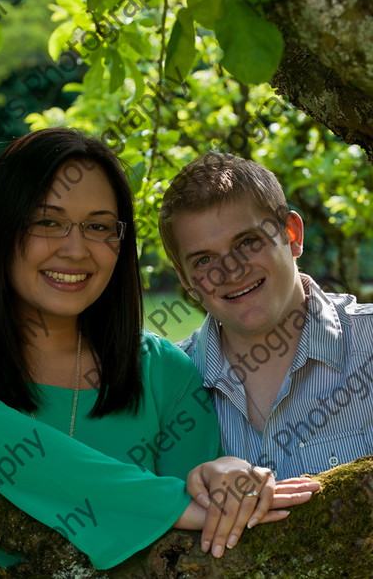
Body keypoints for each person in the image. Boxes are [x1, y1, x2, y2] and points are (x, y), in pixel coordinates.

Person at [0, 130, 318, 577]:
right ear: (0, 227)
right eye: (47, 221)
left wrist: (224, 476)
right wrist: (167, 504)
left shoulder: (165, 374)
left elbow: (194, 556)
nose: (76, 249)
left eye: (99, 227)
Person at [159, 150, 373, 481]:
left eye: (247, 242)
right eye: (204, 260)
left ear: (292, 234)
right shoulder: (163, 389)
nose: (231, 271)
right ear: (186, 280)